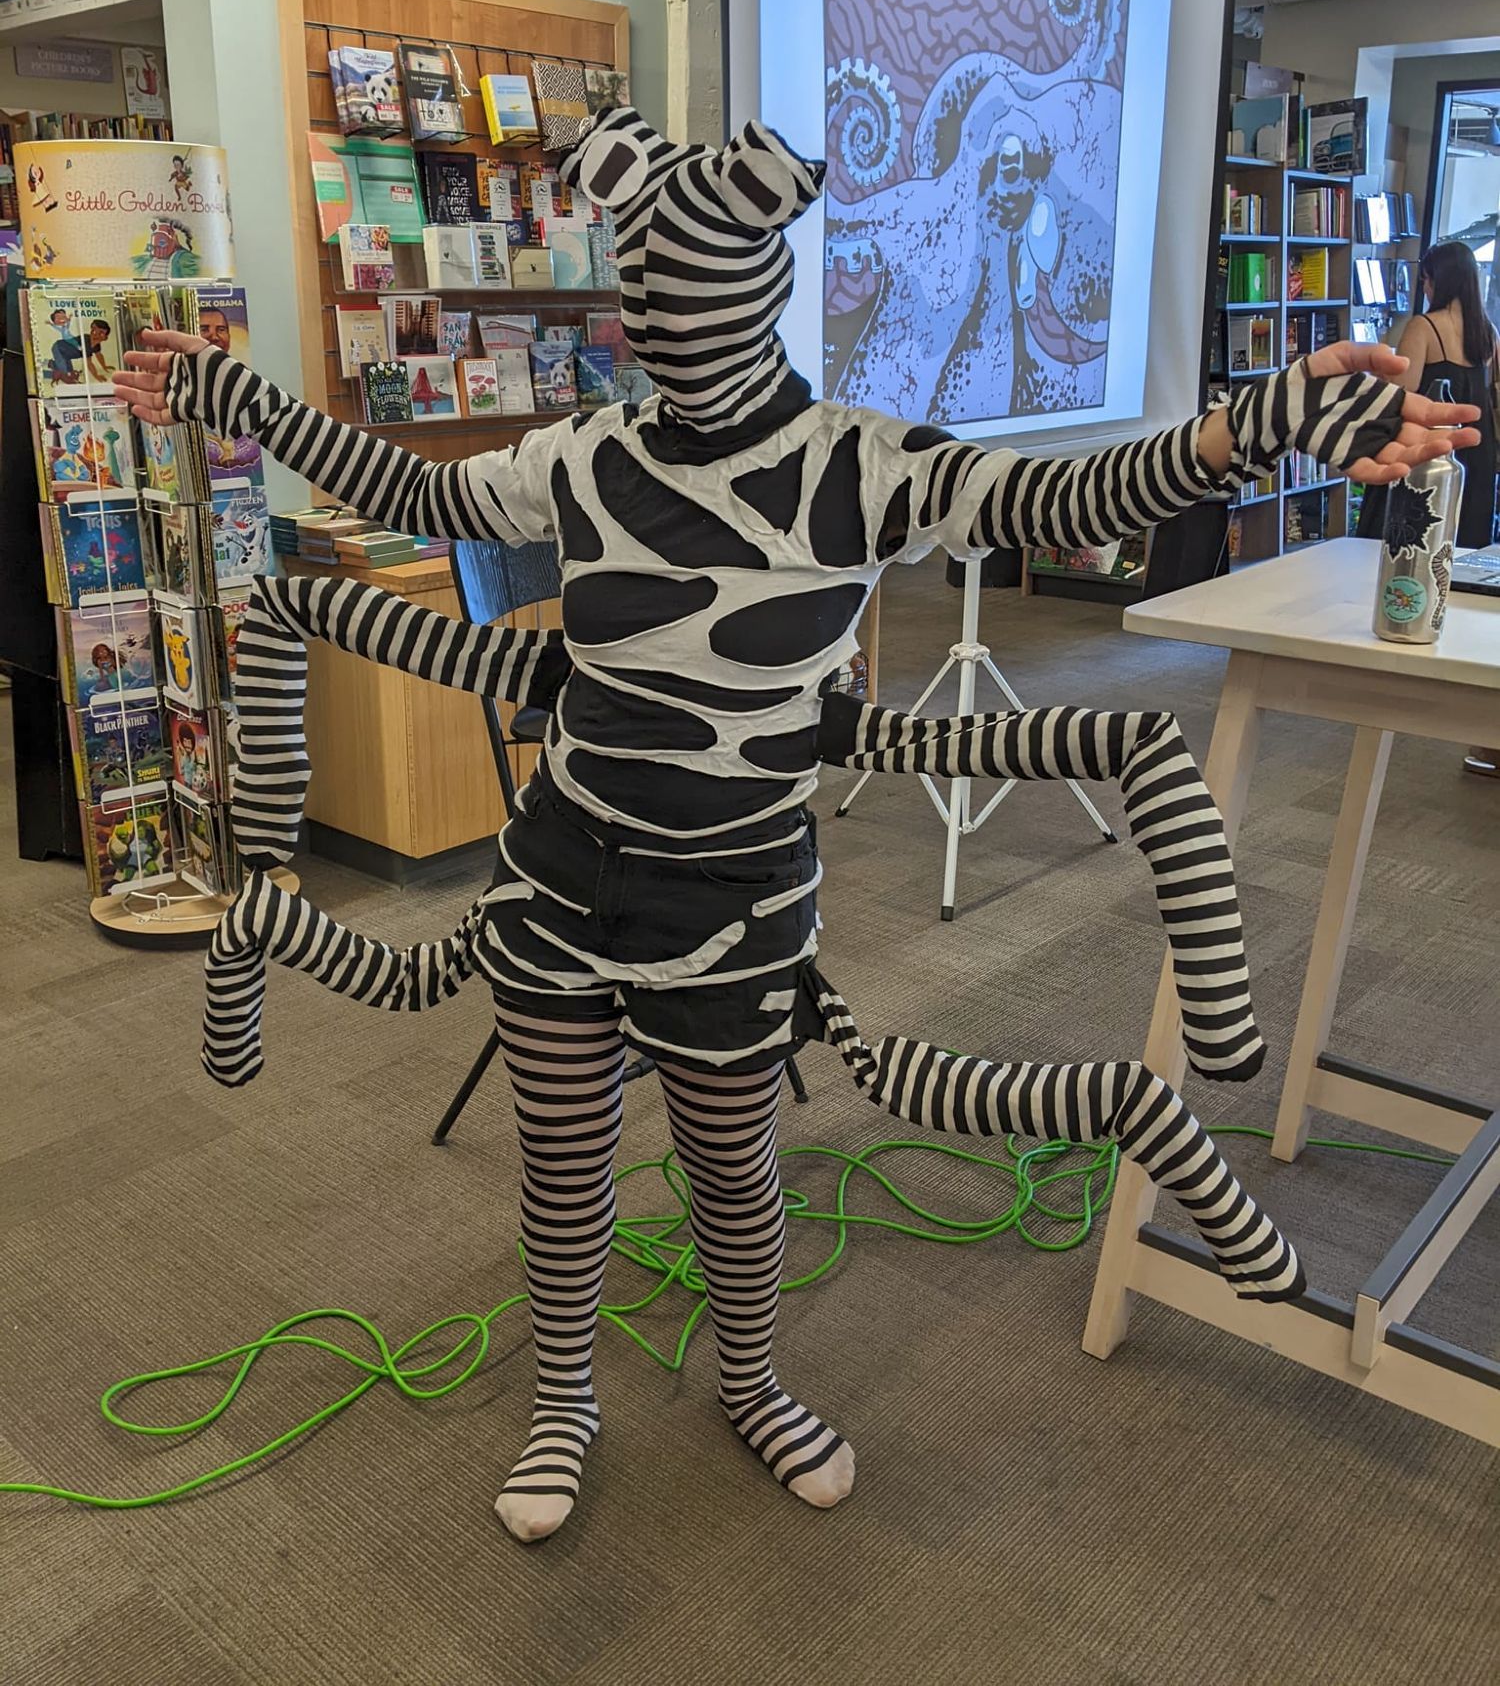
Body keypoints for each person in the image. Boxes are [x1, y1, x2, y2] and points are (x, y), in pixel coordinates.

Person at [116, 111, 1473, 1545]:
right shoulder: (580, 457)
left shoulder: (860, 466)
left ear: (755, 290)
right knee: (565, 1163)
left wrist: (1255, 421)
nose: (662, 336)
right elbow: (407, 486)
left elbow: (1065, 498)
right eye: (644, 299)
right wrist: (237, 394)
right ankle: (563, 1396)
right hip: (562, 879)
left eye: (684, 300)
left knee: (732, 1166)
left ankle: (752, 1381)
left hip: (740, 904)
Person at [1357, 240, 1498, 551]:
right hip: (1477, 446)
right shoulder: (1487, 331)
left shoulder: (1423, 327)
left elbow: (1402, 391)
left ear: (1438, 280)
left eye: (1426, 280)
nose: (1425, 288)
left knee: (1410, 538)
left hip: (1430, 445)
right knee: (1461, 540)